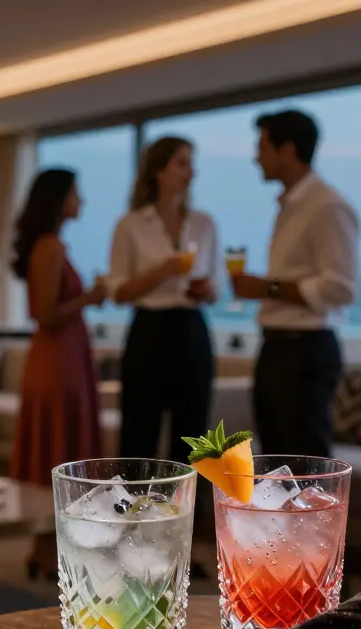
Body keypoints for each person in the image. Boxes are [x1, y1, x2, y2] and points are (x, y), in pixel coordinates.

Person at [108, 136, 220, 549]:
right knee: (138, 433)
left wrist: (206, 289)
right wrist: (162, 271)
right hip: (149, 330)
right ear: (158, 170)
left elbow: (216, 287)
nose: (191, 171)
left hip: (192, 328)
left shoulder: (205, 223)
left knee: (193, 441)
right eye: (181, 162)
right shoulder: (130, 224)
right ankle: (130, 535)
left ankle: (183, 541)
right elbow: (118, 290)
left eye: (191, 162)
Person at [231, 109, 359, 458]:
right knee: (275, 462)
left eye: (262, 148)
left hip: (305, 351)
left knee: (306, 464)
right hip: (277, 348)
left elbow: (341, 287)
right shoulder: (291, 205)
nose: (255, 158)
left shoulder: (327, 206)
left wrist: (266, 288)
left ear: (287, 150)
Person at [8, 169, 106, 579]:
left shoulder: (49, 246)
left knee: (58, 448)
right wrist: (91, 297)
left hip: (63, 356)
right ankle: (49, 552)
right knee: (58, 451)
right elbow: (45, 313)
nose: (81, 201)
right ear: (60, 199)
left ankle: (47, 551)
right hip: (57, 360)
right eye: (76, 194)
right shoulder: (48, 247)